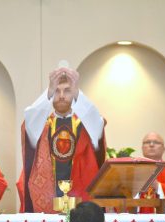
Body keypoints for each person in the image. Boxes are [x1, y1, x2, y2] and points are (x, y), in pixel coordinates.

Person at [16, 65, 106, 213]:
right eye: (57, 91)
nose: (62, 96)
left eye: (67, 91)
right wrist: (49, 90)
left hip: (81, 197)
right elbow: (30, 120)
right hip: (48, 199)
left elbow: (97, 122)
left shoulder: (85, 124)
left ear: (75, 94)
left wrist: (77, 90)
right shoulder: (42, 125)